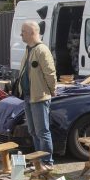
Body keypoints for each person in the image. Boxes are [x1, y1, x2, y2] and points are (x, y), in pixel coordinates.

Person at [19, 20, 57, 167]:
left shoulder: (42, 50)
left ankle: (47, 161)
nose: (21, 34)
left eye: (23, 31)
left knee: (42, 131)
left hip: (40, 96)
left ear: (32, 33)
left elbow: (50, 73)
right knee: (33, 131)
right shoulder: (28, 49)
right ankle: (39, 160)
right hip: (28, 96)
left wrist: (52, 90)